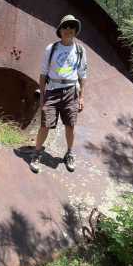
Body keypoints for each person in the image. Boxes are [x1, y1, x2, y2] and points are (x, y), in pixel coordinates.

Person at [29, 14, 87, 173]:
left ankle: (69, 153)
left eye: (72, 27)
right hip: (53, 90)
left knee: (70, 126)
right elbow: (42, 74)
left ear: (75, 31)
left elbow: (82, 76)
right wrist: (42, 96)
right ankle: (36, 153)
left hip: (71, 92)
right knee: (45, 125)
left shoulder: (80, 51)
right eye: (65, 26)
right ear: (60, 30)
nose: (68, 30)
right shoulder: (52, 49)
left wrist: (81, 97)